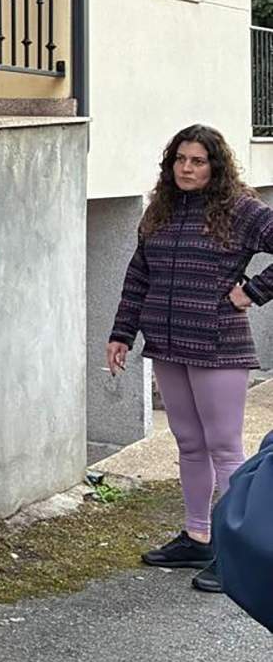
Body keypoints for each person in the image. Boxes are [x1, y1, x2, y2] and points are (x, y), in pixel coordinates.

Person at [109, 124, 273, 595]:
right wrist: (123, 332)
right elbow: (138, 275)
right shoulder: (159, 211)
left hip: (219, 343)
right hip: (166, 341)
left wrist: (254, 291)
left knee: (224, 446)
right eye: (180, 159)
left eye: (198, 161)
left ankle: (235, 552)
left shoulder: (242, 211)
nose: (187, 168)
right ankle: (198, 536)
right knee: (188, 443)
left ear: (215, 166)